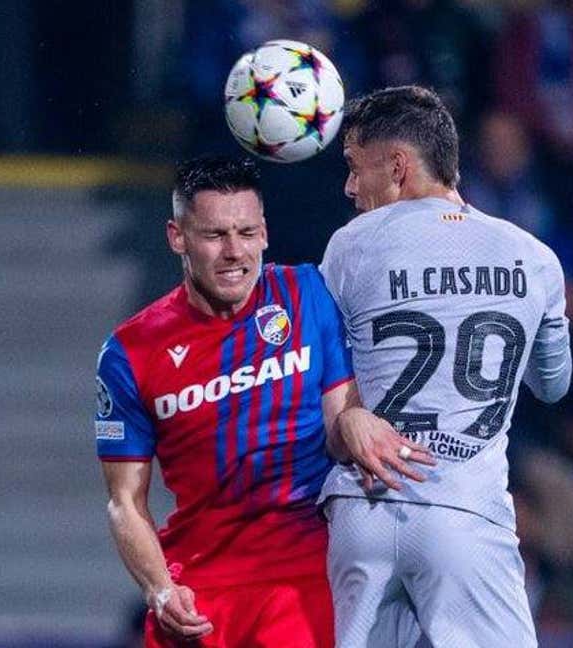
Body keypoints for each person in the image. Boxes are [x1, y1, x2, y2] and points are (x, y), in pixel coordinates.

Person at [94, 155, 418, 648]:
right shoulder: (130, 352)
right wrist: (159, 590)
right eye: (214, 235)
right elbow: (124, 501)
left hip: (305, 574)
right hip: (197, 594)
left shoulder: (307, 292)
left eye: (246, 233)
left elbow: (336, 425)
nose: (234, 252)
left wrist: (354, 423)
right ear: (177, 237)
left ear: (265, 233)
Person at [319, 86, 572, 647]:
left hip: (364, 507)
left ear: (399, 167)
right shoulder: (534, 256)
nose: (350, 187)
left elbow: (326, 383)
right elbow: (553, 386)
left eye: (356, 168)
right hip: (465, 512)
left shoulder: (349, 246)